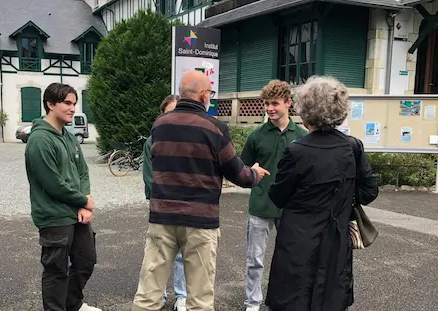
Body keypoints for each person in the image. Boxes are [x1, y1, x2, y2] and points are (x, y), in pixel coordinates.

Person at [132, 70, 270, 311]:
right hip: (200, 221)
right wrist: (255, 175)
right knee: (200, 298)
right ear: (204, 95)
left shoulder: (160, 125)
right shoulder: (215, 128)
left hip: (162, 217)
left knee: (148, 293)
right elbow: (237, 173)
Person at [264, 76, 379, 311]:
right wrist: (344, 199)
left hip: (297, 238)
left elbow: (278, 196)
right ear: (341, 110)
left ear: (304, 110)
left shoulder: (296, 151)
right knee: (332, 295)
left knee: (294, 296)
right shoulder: (352, 147)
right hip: (336, 237)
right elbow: (369, 191)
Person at [25, 82, 101, 311]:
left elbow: (82, 171)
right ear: (50, 104)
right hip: (54, 215)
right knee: (56, 271)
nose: (72, 109)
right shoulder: (39, 140)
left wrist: (84, 203)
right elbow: (53, 184)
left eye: (74, 103)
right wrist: (83, 201)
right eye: (67, 103)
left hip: (76, 212)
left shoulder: (67, 136)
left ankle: (73, 304)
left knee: (85, 261)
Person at [240, 80, 308, 311]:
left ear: (289, 103)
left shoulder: (302, 135)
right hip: (261, 206)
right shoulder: (256, 136)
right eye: (267, 104)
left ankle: (289, 301)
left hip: (291, 209)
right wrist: (251, 173)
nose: (269, 108)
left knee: (291, 260)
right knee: (255, 261)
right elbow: (242, 169)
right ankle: (252, 303)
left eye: (275, 104)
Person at [142, 94, 187, 311]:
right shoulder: (153, 141)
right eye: (170, 112)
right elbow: (150, 177)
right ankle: (159, 294)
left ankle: (181, 295)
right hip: (161, 206)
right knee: (159, 253)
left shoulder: (190, 140)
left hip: (185, 206)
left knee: (180, 254)